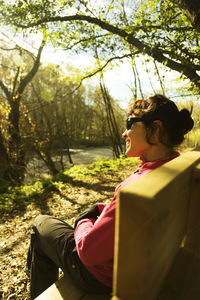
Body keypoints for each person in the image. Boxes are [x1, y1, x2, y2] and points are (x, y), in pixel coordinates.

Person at [26, 94, 194, 299]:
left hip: (100, 275)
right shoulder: (172, 169)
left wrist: (84, 220)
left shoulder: (136, 188)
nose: (124, 133)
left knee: (40, 223)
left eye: (130, 124)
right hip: (145, 264)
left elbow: (87, 251)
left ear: (155, 129)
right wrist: (100, 209)